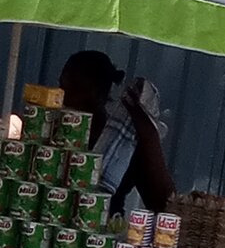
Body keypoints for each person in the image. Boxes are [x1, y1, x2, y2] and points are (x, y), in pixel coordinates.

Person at [58, 51, 175, 214]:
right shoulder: (55, 132)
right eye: (61, 87)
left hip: (104, 223)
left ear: (96, 93)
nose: (62, 97)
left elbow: (163, 201)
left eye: (73, 89)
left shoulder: (123, 140)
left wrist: (147, 132)